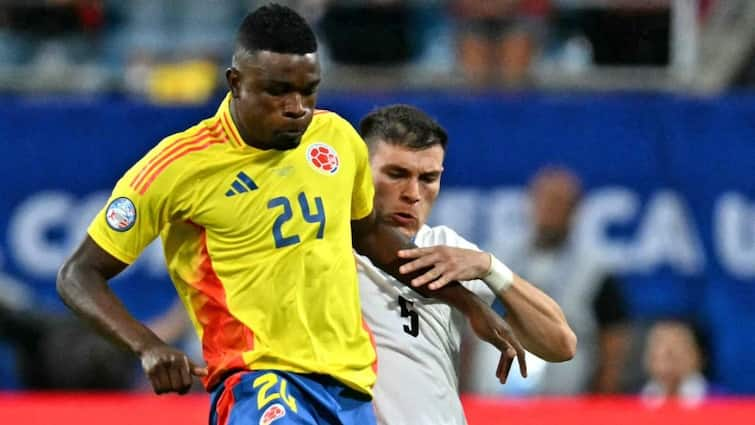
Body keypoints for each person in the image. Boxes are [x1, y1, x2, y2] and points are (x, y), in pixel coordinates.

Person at [56, 4, 521, 425]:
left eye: (308, 91)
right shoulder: (178, 167)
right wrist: (148, 346)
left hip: (352, 391)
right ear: (235, 82)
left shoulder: (336, 139)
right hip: (260, 383)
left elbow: (375, 239)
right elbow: (79, 273)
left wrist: (470, 305)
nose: (297, 108)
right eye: (278, 92)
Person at [355, 105, 576, 425]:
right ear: (362, 170)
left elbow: (561, 344)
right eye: (396, 174)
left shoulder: (445, 249)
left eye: (428, 178)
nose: (413, 194)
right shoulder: (330, 249)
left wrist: (488, 267)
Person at [467, 166, 631, 395]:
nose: (549, 209)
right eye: (543, 200)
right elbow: (469, 329)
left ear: (576, 210)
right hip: (493, 402)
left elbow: (612, 340)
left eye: (559, 202)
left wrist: (602, 400)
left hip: (565, 405)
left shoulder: (595, 271)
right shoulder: (493, 260)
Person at [641, 319, 718, 407]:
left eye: (672, 354)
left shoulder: (722, 401)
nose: (665, 366)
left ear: (699, 356)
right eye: (656, 354)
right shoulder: (634, 402)